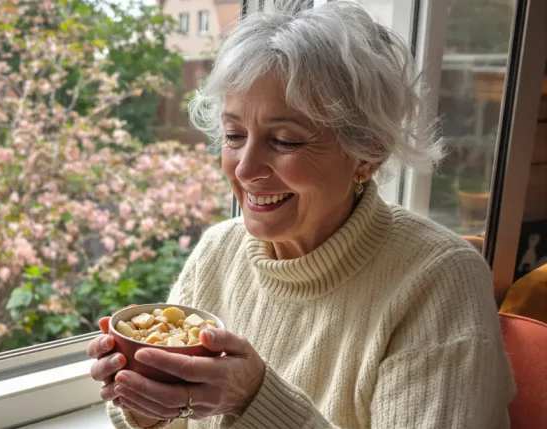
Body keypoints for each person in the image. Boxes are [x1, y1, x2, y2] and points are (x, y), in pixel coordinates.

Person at [86, 1, 516, 428]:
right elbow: (181, 420)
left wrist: (254, 399)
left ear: (367, 153)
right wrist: (147, 404)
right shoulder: (220, 251)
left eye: (286, 141)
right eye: (234, 135)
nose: (245, 168)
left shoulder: (439, 280)